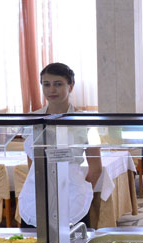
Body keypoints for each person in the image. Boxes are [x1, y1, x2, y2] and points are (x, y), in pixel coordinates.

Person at [18, 62, 103, 227]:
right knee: (33, 241)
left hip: (73, 196)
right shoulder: (32, 119)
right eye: (46, 84)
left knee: (73, 241)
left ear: (71, 86)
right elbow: (32, 163)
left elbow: (96, 169)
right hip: (36, 196)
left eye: (58, 84)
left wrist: (80, 190)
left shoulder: (87, 122)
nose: (52, 90)